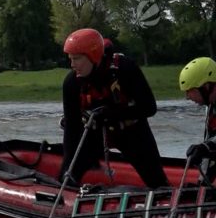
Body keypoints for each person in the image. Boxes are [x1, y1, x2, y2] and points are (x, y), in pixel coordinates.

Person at [59, 28, 169, 189]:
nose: (72, 64)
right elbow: (71, 130)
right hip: (93, 135)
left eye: (77, 59)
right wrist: (68, 167)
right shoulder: (71, 83)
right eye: (70, 59)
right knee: (67, 177)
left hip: (132, 132)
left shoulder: (125, 68)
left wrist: (111, 115)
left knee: (157, 182)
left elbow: (149, 107)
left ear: (93, 57)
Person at [179, 56, 216, 184]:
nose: (187, 97)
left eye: (190, 91)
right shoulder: (211, 107)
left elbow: (210, 146)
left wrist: (206, 147)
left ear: (206, 86)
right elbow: (210, 145)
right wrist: (203, 183)